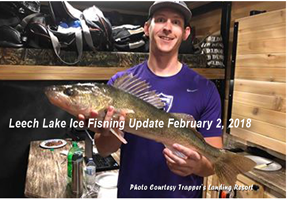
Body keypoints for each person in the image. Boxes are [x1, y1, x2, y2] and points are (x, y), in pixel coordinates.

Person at [79, 1, 223, 197]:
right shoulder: (120, 84)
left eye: (176, 22)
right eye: (161, 19)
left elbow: (214, 164)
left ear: (186, 33)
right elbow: (104, 150)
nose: (167, 27)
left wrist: (196, 166)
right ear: (147, 28)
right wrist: (107, 132)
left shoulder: (206, 90)